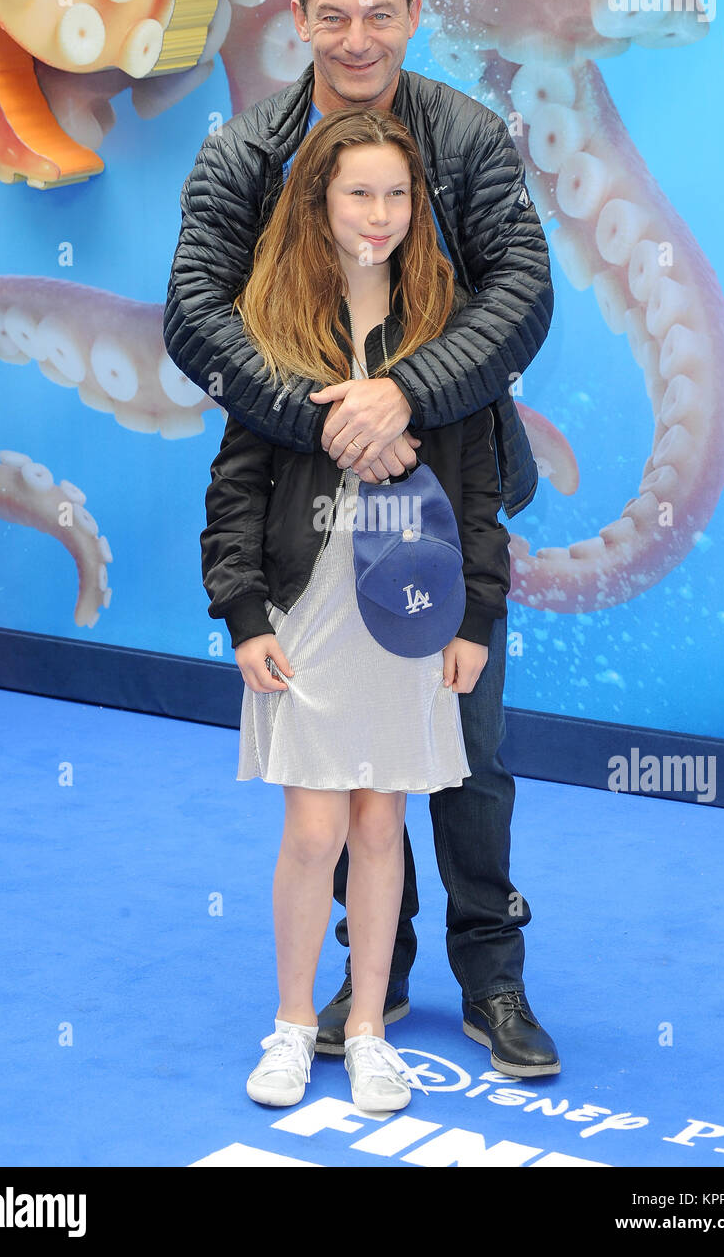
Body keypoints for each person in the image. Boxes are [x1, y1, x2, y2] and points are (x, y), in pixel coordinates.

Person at [165, 0, 560, 1076]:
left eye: (378, 11)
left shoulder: (470, 137)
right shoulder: (243, 153)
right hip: (304, 505)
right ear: (297, 19)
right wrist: (328, 416)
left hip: (445, 493)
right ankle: (369, 980)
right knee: (338, 776)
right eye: (332, 13)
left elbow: (521, 294)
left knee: (466, 754)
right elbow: (196, 312)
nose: (355, 36)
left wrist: (402, 394)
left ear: (412, 13)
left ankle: (492, 974)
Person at [201, 106, 514, 1112]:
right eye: (356, 193)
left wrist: (474, 618)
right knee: (313, 826)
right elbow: (236, 484)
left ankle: (371, 1027)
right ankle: (295, 1022)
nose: (376, 214)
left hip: (413, 613)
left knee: (382, 821)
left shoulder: (446, 328)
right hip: (307, 612)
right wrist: (244, 610)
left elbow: (476, 490)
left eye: (395, 194)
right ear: (317, 202)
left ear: (416, 205)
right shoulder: (275, 323)